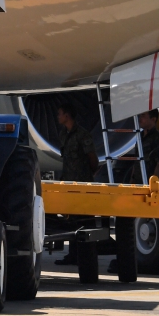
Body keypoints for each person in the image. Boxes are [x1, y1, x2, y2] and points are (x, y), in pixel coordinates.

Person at [55, 101, 99, 266]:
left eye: (60, 113)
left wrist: (89, 174)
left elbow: (92, 157)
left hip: (83, 184)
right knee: (71, 220)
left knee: (86, 220)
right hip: (69, 184)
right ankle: (73, 255)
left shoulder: (83, 134)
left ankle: (87, 255)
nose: (58, 117)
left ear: (67, 116)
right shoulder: (63, 135)